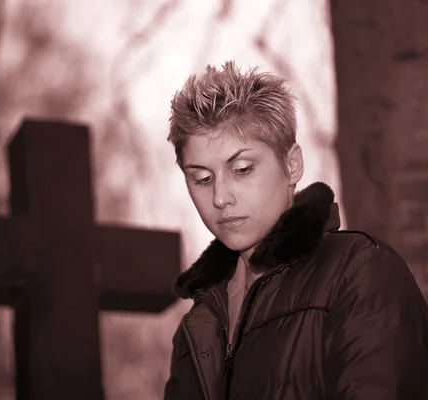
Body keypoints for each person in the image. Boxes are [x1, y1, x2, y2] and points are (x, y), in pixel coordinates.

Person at [163, 61, 428, 400]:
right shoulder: (197, 324)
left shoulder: (360, 273)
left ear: (292, 165)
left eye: (242, 169)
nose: (220, 197)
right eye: (201, 178)